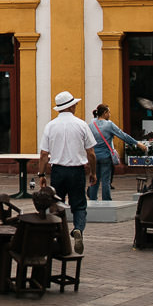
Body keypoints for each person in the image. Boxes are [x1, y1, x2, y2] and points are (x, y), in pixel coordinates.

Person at [37, 90, 96, 235]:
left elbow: (44, 154)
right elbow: (91, 153)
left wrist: (41, 175)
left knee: (56, 204)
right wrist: (93, 172)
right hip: (76, 170)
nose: (75, 106)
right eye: (74, 104)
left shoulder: (50, 126)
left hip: (58, 171)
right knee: (79, 205)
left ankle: (58, 234)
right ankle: (78, 229)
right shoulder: (81, 125)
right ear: (70, 107)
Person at [88, 104, 140, 201]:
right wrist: (137, 143)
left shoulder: (91, 125)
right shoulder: (109, 125)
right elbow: (122, 135)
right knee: (106, 181)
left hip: (94, 156)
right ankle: (106, 201)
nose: (110, 114)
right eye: (109, 112)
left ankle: (92, 200)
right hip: (105, 156)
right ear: (104, 113)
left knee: (94, 179)